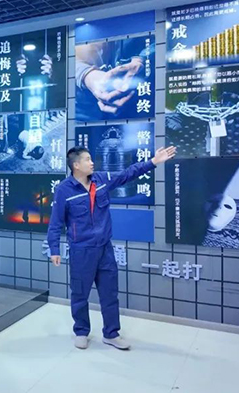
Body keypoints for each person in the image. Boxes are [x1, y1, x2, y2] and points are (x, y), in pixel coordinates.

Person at [47, 145, 176, 350]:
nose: (92, 163)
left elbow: (127, 174)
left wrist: (153, 162)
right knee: (80, 294)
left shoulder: (101, 179)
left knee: (109, 293)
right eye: (87, 159)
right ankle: (81, 331)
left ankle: (111, 333)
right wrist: (54, 248)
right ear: (76, 165)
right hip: (81, 250)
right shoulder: (64, 190)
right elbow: (56, 221)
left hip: (105, 249)